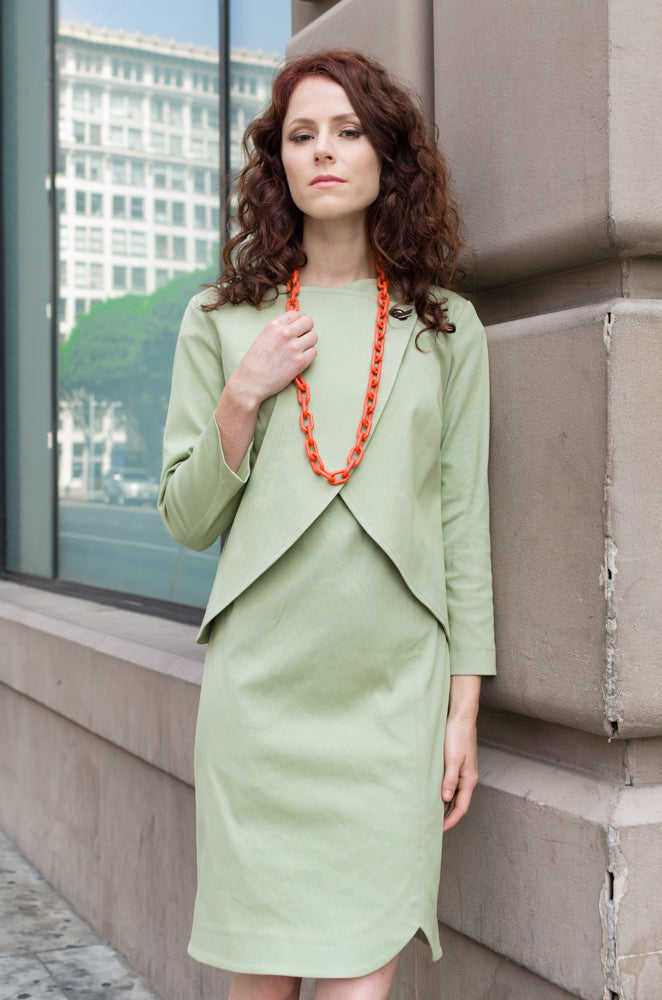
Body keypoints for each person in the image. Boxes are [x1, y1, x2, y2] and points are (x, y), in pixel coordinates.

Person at [159, 48, 495, 1000]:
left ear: (389, 155)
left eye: (348, 131)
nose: (325, 152)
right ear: (278, 165)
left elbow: (464, 524)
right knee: (259, 987)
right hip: (261, 704)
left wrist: (461, 711)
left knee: (361, 983)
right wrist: (243, 392)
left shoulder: (446, 330)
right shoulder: (221, 320)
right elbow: (186, 521)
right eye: (302, 135)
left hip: (393, 705)